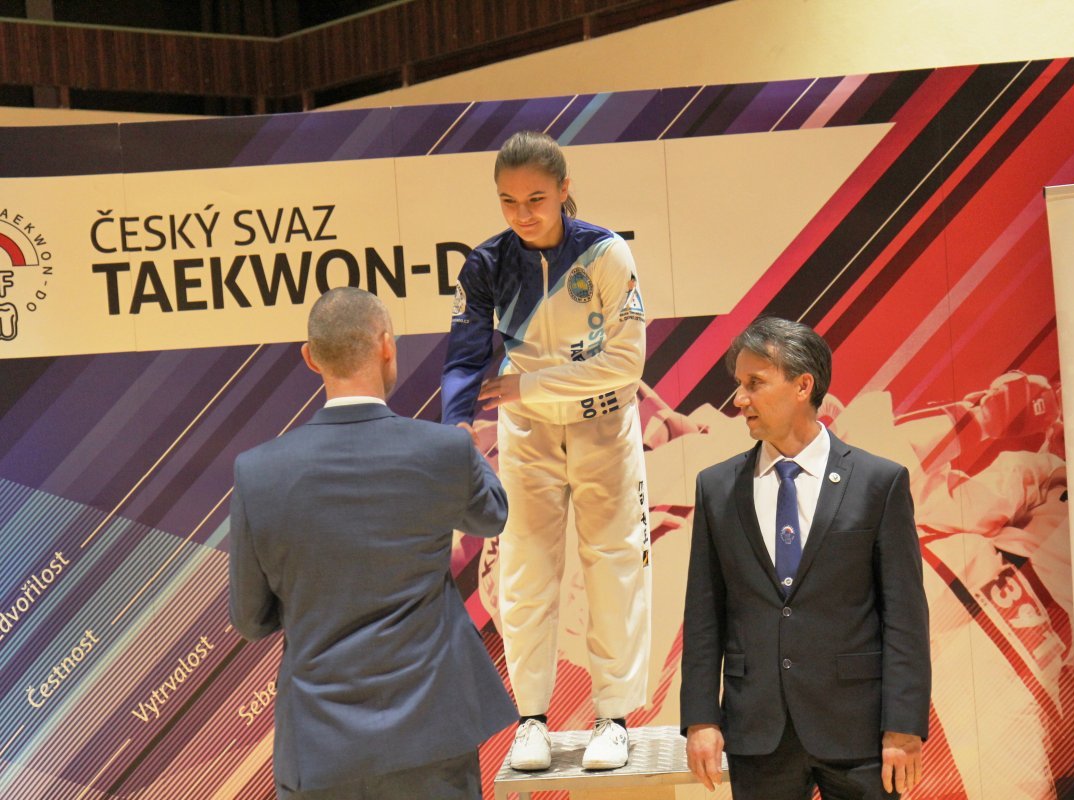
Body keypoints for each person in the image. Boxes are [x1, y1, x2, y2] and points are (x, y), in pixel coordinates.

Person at [229, 287, 515, 799]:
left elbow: (251, 620)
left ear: (310, 357)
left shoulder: (258, 472)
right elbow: (492, 515)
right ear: (386, 345)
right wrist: (470, 454)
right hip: (432, 737)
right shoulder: (442, 451)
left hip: (321, 749)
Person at [441, 130, 651, 771]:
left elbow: (627, 363)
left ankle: (613, 718)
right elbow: (465, 356)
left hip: (604, 430)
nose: (522, 213)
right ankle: (531, 719)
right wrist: (456, 425)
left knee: (612, 567)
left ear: (564, 190)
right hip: (527, 436)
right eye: (508, 201)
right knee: (525, 573)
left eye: (535, 198)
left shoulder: (606, 253)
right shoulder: (485, 264)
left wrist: (531, 383)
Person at [680, 317, 931, 799]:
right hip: (757, 730)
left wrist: (903, 726)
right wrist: (700, 719)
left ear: (803, 386)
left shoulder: (879, 482)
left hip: (858, 730)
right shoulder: (717, 488)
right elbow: (704, 615)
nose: (740, 399)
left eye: (755, 383)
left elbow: (904, 616)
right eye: (739, 384)